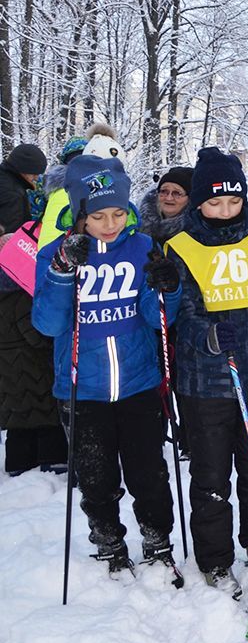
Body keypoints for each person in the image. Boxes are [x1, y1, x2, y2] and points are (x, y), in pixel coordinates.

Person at [33, 154, 183, 575]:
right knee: (97, 478)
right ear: (80, 214)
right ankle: (108, 540)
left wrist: (167, 288)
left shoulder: (143, 247)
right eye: (99, 215)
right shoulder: (55, 254)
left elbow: (158, 319)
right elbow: (47, 323)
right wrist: (64, 271)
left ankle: (157, 540)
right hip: (84, 389)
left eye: (119, 212)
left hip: (138, 383)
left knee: (148, 474)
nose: (111, 223)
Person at [164, 148, 248, 596]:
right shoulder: (180, 243)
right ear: (198, 202)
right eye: (214, 203)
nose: (224, 211)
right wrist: (208, 335)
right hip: (206, 382)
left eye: (232, 202)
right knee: (211, 474)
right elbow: (182, 310)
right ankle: (215, 558)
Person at [0, 143, 65, 476]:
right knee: (39, 394)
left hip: (11, 326)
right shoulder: (13, 196)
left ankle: (19, 466)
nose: (38, 180)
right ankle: (48, 461)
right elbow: (13, 243)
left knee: (17, 401)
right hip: (18, 307)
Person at [138, 166, 194, 243]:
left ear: (190, 199)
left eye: (177, 193)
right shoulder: (137, 226)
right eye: (164, 191)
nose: (169, 198)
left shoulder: (198, 234)